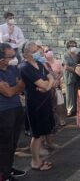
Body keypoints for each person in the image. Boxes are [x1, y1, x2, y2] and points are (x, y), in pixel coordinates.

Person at [20, 42, 55, 171]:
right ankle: (35, 162)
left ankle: (38, 158)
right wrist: (47, 85)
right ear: (27, 53)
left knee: (42, 132)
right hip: (35, 104)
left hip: (45, 101)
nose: (40, 52)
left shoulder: (40, 64)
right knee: (36, 134)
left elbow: (51, 79)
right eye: (36, 50)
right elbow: (45, 84)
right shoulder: (25, 67)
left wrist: (47, 86)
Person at [0, 43, 26, 181]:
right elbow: (9, 92)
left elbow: (20, 86)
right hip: (3, 112)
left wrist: (14, 87)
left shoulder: (13, 68)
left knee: (13, 142)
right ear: (1, 59)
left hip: (16, 108)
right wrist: (15, 87)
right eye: (10, 57)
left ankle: (8, 168)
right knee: (5, 144)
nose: (14, 59)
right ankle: (4, 174)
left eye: (14, 55)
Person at [44, 48, 66, 127]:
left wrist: (57, 79)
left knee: (59, 103)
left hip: (57, 85)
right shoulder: (43, 63)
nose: (48, 52)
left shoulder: (57, 62)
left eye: (49, 50)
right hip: (48, 86)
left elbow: (61, 72)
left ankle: (61, 119)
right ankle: (53, 120)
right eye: (46, 51)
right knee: (51, 104)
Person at [63, 40, 78, 116]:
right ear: (68, 47)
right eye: (72, 45)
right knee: (69, 94)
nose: (74, 47)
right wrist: (76, 70)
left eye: (75, 45)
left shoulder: (77, 55)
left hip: (77, 77)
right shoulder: (65, 55)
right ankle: (69, 109)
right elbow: (66, 67)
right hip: (69, 77)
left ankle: (75, 109)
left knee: (76, 93)